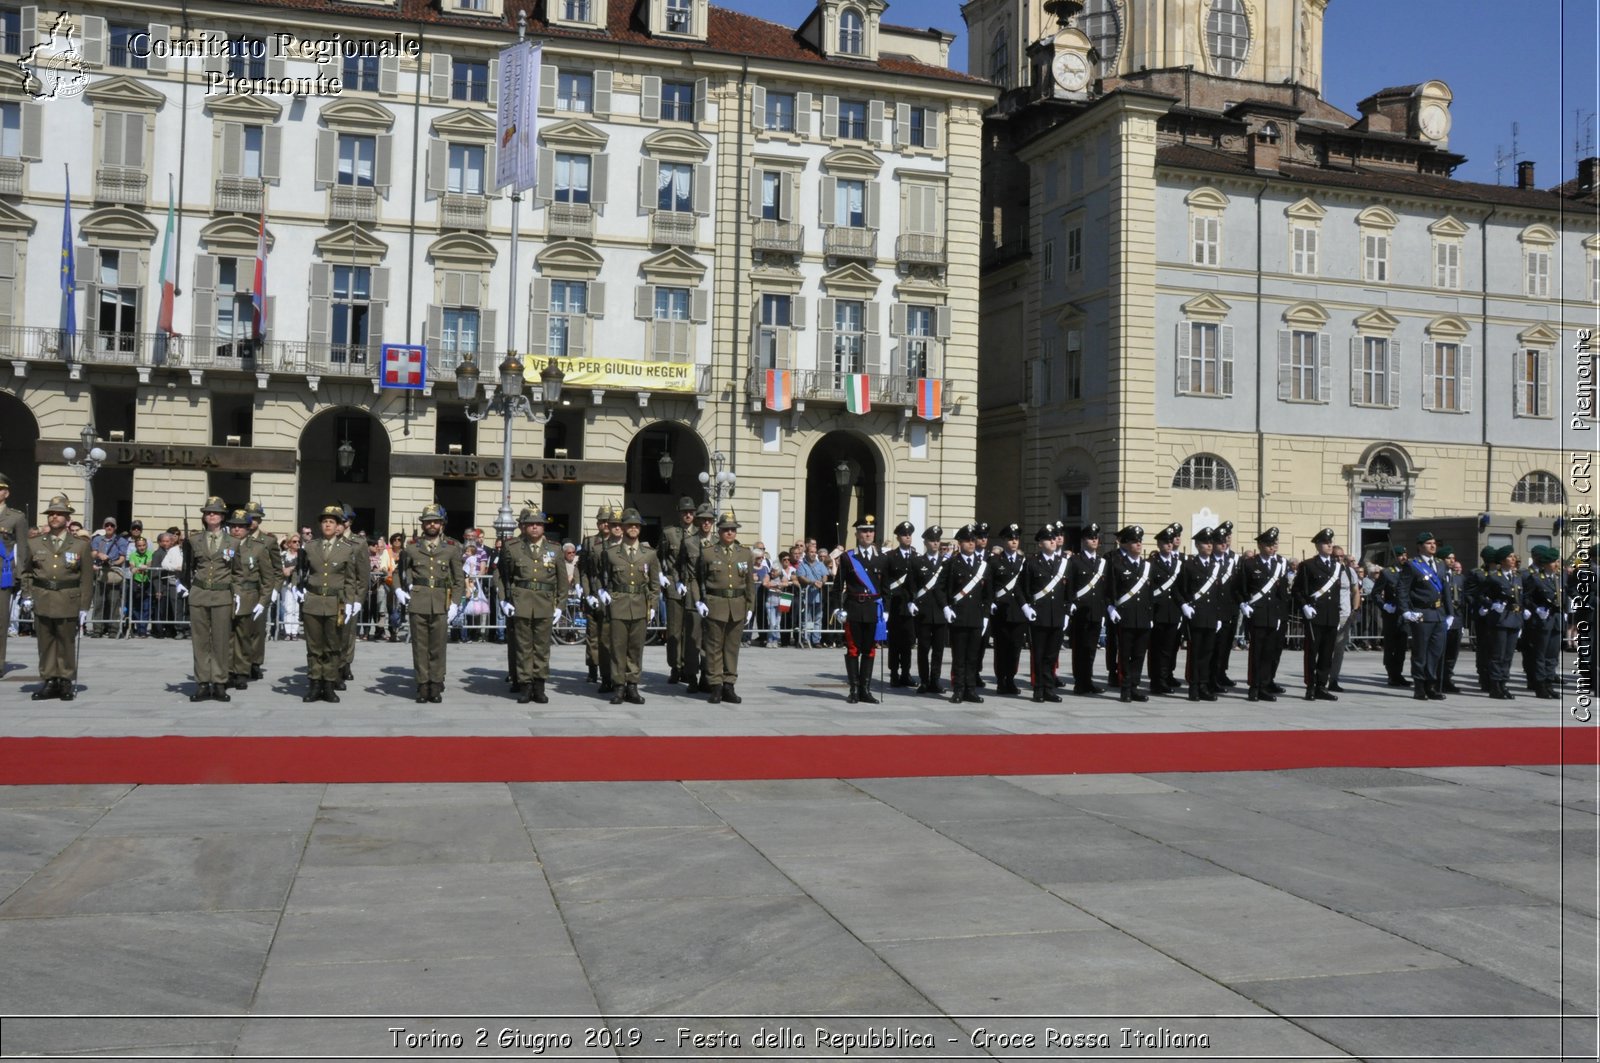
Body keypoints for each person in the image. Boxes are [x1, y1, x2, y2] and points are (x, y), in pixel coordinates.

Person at [21, 494, 92, 700]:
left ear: (67, 518)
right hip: (43, 597)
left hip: (68, 598)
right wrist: (27, 594)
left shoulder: (80, 545)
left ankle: (66, 680)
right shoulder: (35, 543)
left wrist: (84, 606)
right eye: (51, 513)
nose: (54, 517)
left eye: (59, 514)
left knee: (66, 641)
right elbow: (26, 571)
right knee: (45, 642)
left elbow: (86, 578)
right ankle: (49, 680)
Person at [292, 504, 365, 703]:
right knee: (314, 646)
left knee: (333, 647)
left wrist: (351, 602)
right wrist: (296, 588)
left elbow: (351, 579)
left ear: (338, 525)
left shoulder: (347, 549)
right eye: (325, 521)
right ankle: (315, 683)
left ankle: (329, 685)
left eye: (332, 522)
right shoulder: (310, 546)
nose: (328, 525)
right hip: (314, 601)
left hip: (335, 603)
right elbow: (301, 571)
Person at [495, 507, 564, 705]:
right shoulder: (512, 547)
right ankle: (525, 685)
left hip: (544, 603)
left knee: (542, 648)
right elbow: (502, 576)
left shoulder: (555, 549)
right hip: (521, 602)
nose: (535, 527)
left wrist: (560, 605)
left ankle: (539, 686)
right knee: (523, 647)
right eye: (531, 524)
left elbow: (562, 581)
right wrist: (503, 599)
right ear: (524, 527)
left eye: (539, 524)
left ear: (543, 527)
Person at [397, 505, 464, 703]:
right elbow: (399, 571)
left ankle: (435, 684)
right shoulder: (412, 548)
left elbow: (459, 579)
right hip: (418, 601)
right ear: (423, 524)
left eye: (435, 521)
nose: (432, 524)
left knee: (438, 647)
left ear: (441, 524)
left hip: (441, 602)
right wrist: (399, 589)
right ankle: (422, 685)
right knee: (420, 646)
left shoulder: (451, 548)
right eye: (428, 521)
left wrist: (455, 604)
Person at [177, 496, 237, 703]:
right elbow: (188, 567)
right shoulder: (194, 540)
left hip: (222, 595)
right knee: (200, 641)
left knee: (221, 641)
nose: (211, 515)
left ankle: (220, 682)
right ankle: (202, 682)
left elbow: (238, 572)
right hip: (200, 594)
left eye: (216, 512)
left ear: (222, 517)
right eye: (208, 512)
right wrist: (183, 585)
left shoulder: (234, 542)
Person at [694, 510, 757, 704]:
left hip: (737, 605)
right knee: (713, 647)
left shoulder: (745, 554)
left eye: (732, 530)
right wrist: (699, 601)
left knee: (732, 647)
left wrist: (750, 607)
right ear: (719, 531)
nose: (729, 533)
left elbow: (749, 583)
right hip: (715, 604)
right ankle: (715, 685)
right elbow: (697, 579)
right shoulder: (707, 553)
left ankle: (729, 684)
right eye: (725, 530)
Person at [600, 508, 658, 705]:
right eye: (629, 525)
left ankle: (632, 686)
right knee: (617, 648)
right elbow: (602, 578)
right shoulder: (610, 553)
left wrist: (653, 606)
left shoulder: (649, 554)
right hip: (618, 604)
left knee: (635, 648)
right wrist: (603, 593)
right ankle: (618, 686)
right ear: (622, 527)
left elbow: (654, 584)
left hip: (640, 604)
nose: (633, 528)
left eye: (636, 525)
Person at [227, 507, 282, 691]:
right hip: (227, 596)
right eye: (233, 526)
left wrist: (267, 597)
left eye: (241, 526)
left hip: (249, 595)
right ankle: (228, 670)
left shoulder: (258, 547)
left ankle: (242, 671)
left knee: (245, 635)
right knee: (227, 636)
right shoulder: (224, 545)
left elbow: (270, 574)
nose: (236, 530)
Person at [832, 515, 884, 704]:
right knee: (853, 649)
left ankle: (865, 690)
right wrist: (838, 609)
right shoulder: (848, 557)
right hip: (853, 608)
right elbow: (837, 586)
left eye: (870, 531)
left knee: (869, 650)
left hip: (872, 609)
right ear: (857, 534)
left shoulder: (881, 558)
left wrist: (886, 610)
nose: (868, 534)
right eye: (864, 531)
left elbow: (885, 588)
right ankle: (854, 689)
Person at [1395, 530, 1452, 702]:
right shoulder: (1412, 564)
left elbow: (1446, 591)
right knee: (1420, 652)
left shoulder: (1441, 564)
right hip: (1421, 613)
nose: (1433, 545)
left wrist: (1450, 613)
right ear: (1420, 547)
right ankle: (1419, 687)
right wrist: (1405, 611)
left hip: (1439, 614)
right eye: (1428, 543)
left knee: (1435, 652)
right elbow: (1402, 589)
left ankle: (1431, 686)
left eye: (1434, 543)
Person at [1235, 527, 1289, 703]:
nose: (1273, 547)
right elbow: (1241, 587)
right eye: (1269, 544)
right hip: (1257, 614)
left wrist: (1282, 615)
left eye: (1275, 543)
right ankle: (1254, 687)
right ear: (1260, 545)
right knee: (1256, 652)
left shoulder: (1280, 563)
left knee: (1269, 652)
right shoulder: (1250, 564)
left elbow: (1283, 594)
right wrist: (1243, 604)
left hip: (1274, 614)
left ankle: (1265, 685)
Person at [939, 523, 990, 704]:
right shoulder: (952, 563)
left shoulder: (982, 565)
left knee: (973, 656)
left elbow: (988, 594)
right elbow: (941, 588)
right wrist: (946, 607)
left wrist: (985, 615)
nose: (972, 543)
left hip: (976, 617)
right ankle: (958, 689)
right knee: (959, 656)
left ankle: (971, 690)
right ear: (960, 542)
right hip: (958, 615)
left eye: (973, 540)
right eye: (968, 540)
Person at [1292, 527, 1343, 702]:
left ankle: (1322, 685)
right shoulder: (1308, 565)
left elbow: (1337, 593)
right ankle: (1311, 686)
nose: (1330, 546)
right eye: (1326, 543)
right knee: (1312, 651)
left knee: (1327, 653)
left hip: (1331, 616)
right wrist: (1305, 605)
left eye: (1331, 542)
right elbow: (1297, 590)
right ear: (1318, 545)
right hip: (1315, 615)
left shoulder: (1337, 567)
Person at [1104, 526, 1154, 703]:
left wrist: (1151, 616)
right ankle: (1125, 688)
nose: (1139, 544)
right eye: (1134, 541)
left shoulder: (1147, 566)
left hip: (1143, 617)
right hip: (1125, 616)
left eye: (1140, 541)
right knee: (1125, 654)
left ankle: (1134, 687)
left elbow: (1150, 594)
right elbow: (1110, 590)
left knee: (1139, 655)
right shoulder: (1116, 564)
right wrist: (1111, 608)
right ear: (1125, 543)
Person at [1021, 523, 1069, 702]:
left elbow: (1068, 590)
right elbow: (1022, 588)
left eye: (1053, 538)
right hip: (1039, 615)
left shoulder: (1063, 563)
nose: (1053, 541)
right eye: (1048, 539)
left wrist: (1067, 611)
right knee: (1039, 655)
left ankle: (1049, 688)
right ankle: (1038, 689)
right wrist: (1026, 607)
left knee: (1051, 655)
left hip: (1056, 616)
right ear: (1040, 543)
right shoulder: (1032, 562)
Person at [1179, 528, 1224, 702]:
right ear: (1197, 545)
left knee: (1208, 653)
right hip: (1196, 615)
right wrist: (1184, 606)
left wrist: (1219, 616)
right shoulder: (1189, 565)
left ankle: (1204, 685)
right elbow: (1179, 590)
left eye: (1211, 543)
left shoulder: (1215, 566)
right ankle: (1194, 686)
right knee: (1195, 653)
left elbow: (1218, 594)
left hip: (1211, 616)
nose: (1210, 546)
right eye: (1206, 543)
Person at [987, 523, 1029, 695]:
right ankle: (1001, 680)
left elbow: (1026, 587)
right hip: (1001, 611)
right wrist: (990, 602)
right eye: (1011, 539)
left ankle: (1011, 679)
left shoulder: (1024, 561)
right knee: (1001, 648)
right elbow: (989, 585)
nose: (1014, 542)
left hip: (1018, 611)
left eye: (1016, 539)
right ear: (1004, 540)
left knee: (1015, 649)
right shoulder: (995, 561)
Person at [1066, 523, 1108, 695]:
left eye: (1096, 537)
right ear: (1083, 540)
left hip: (1096, 611)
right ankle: (1079, 682)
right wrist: (1070, 604)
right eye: (1091, 537)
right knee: (1079, 649)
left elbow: (1105, 589)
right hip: (1080, 611)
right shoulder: (1075, 561)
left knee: (1091, 649)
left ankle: (1088, 681)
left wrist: (1105, 610)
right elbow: (1069, 585)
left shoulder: (1102, 562)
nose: (1094, 540)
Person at [659, 496, 698, 682]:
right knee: (674, 630)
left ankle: (690, 668)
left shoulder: (700, 535)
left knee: (691, 630)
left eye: (691, 512)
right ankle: (675, 667)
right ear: (680, 514)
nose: (688, 515)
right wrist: (661, 576)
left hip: (694, 588)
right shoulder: (669, 533)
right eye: (685, 512)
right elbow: (659, 557)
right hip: (674, 586)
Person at [880, 520, 921, 686]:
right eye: (904, 535)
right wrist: (886, 607)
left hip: (910, 605)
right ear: (898, 537)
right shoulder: (890, 557)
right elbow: (885, 583)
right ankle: (894, 673)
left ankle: (906, 672)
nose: (908, 537)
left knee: (909, 640)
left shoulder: (916, 557)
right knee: (895, 641)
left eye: (910, 534)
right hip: (895, 604)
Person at [1521, 545, 1564, 699]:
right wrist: (1535, 609)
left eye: (1557, 562)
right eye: (1554, 562)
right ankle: (1539, 685)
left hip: (1556, 620)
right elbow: (1526, 598)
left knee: (1552, 655)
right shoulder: (1536, 578)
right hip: (1542, 621)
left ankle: (1549, 683)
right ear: (1546, 563)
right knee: (1540, 654)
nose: (1557, 565)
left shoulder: (1558, 578)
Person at [1146, 524, 1185, 695]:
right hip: (1158, 611)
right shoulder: (1152, 564)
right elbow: (1148, 589)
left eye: (1171, 541)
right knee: (1156, 649)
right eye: (1165, 542)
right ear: (1159, 545)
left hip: (1173, 612)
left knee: (1169, 648)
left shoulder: (1178, 564)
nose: (1169, 544)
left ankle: (1165, 676)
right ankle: (1156, 681)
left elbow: (1181, 588)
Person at [909, 525, 947, 692]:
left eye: (938, 540)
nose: (935, 543)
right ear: (925, 542)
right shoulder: (917, 562)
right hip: (923, 612)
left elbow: (949, 588)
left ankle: (935, 680)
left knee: (938, 649)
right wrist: (911, 602)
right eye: (932, 540)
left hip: (940, 611)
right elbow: (911, 585)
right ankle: (924, 680)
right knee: (923, 648)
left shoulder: (947, 562)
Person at [0, 472, 29, 674]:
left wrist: (21, 575)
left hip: (2, 574)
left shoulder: (16, 517)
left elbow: (23, 548)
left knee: (1, 620)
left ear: (6, 493)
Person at [1210, 521, 1242, 689]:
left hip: (1231, 606)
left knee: (1226, 644)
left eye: (1228, 537)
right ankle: (1212, 675)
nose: (1227, 540)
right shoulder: (1210, 558)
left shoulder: (1235, 558)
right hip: (1215, 608)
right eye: (1223, 538)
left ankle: (1221, 672)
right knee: (1214, 645)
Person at [1375, 544, 1411, 687]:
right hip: (1392, 614)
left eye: (1405, 555)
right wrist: (1384, 605)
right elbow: (1375, 593)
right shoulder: (1387, 573)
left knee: (1402, 647)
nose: (1404, 557)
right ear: (1394, 557)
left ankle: (1398, 674)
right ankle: (1391, 674)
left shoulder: (1409, 571)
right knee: (1391, 647)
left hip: (1404, 615)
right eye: (1401, 555)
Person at [1328, 545, 1362, 693]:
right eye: (1335, 556)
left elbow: (1355, 592)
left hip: (1344, 616)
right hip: (1327, 615)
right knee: (1324, 649)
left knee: (1339, 650)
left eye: (1341, 556)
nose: (1338, 559)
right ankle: (1320, 678)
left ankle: (1334, 679)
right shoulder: (1326, 571)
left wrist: (1355, 610)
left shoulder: (1349, 572)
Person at [88, 516, 129, 637]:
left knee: (114, 602)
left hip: (114, 574)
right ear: (104, 527)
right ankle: (97, 629)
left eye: (111, 525)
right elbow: (92, 552)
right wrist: (99, 555)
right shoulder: (97, 539)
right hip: (100, 574)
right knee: (98, 602)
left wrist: (113, 563)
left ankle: (113, 629)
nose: (109, 527)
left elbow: (122, 557)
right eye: (107, 525)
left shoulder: (121, 540)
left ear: (115, 527)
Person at [1437, 546, 1464, 694]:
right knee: (1439, 652)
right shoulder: (1438, 575)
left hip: (1456, 620)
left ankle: (1447, 679)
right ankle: (1436, 680)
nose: (1452, 561)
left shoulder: (1458, 577)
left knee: (1452, 653)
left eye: (1453, 558)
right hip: (1442, 617)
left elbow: (1462, 598)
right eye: (1449, 558)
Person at [797, 540, 830, 649]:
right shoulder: (802, 565)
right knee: (807, 619)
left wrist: (822, 582)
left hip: (818, 597)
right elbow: (801, 577)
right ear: (806, 553)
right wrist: (812, 582)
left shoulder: (820, 564)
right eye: (811, 552)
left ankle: (816, 640)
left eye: (814, 552)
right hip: (807, 596)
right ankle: (806, 638)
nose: (813, 554)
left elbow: (825, 575)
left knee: (818, 619)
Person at [127, 534, 154, 637]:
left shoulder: (150, 553)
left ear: (146, 545)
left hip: (147, 583)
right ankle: (139, 628)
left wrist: (145, 566)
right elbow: (132, 565)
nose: (141, 547)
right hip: (136, 583)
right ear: (136, 546)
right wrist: (134, 568)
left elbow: (149, 564)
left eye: (143, 545)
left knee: (146, 607)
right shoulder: (133, 555)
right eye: (139, 546)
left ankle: (143, 629)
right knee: (136, 607)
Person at [279, 533, 303, 640]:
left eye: (298, 541)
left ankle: (295, 632)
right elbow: (285, 572)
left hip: (299, 585)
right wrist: (294, 568)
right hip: (287, 585)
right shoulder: (283, 555)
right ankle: (287, 631)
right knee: (288, 608)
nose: (297, 543)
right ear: (289, 543)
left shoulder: (302, 555)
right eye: (294, 541)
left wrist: (292, 568)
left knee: (296, 609)